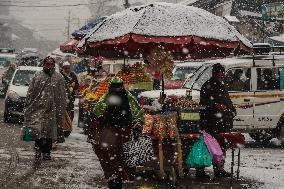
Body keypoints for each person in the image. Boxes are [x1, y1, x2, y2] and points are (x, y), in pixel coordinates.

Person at [88, 77, 144, 189]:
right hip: (110, 133)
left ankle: (122, 179)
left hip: (125, 133)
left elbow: (138, 114)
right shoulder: (105, 99)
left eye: (119, 86)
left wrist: (137, 125)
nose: (118, 89)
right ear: (111, 86)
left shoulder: (130, 99)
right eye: (115, 86)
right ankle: (114, 181)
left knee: (125, 160)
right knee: (109, 159)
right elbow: (97, 115)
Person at [24, 57, 67, 160]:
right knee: (37, 130)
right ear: (43, 64)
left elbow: (62, 93)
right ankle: (38, 148)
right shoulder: (37, 76)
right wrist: (28, 105)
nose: (49, 66)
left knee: (50, 132)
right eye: (47, 64)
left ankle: (47, 152)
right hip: (38, 108)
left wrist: (62, 106)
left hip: (53, 109)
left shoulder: (59, 77)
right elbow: (31, 92)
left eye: (51, 64)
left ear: (54, 65)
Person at [199, 63, 236, 179]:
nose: (221, 75)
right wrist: (215, 105)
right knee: (208, 146)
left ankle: (219, 169)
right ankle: (201, 171)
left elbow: (227, 100)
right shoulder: (207, 86)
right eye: (218, 73)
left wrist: (232, 110)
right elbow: (203, 102)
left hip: (222, 121)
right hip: (210, 121)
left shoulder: (222, 85)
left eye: (222, 73)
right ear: (214, 73)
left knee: (221, 146)